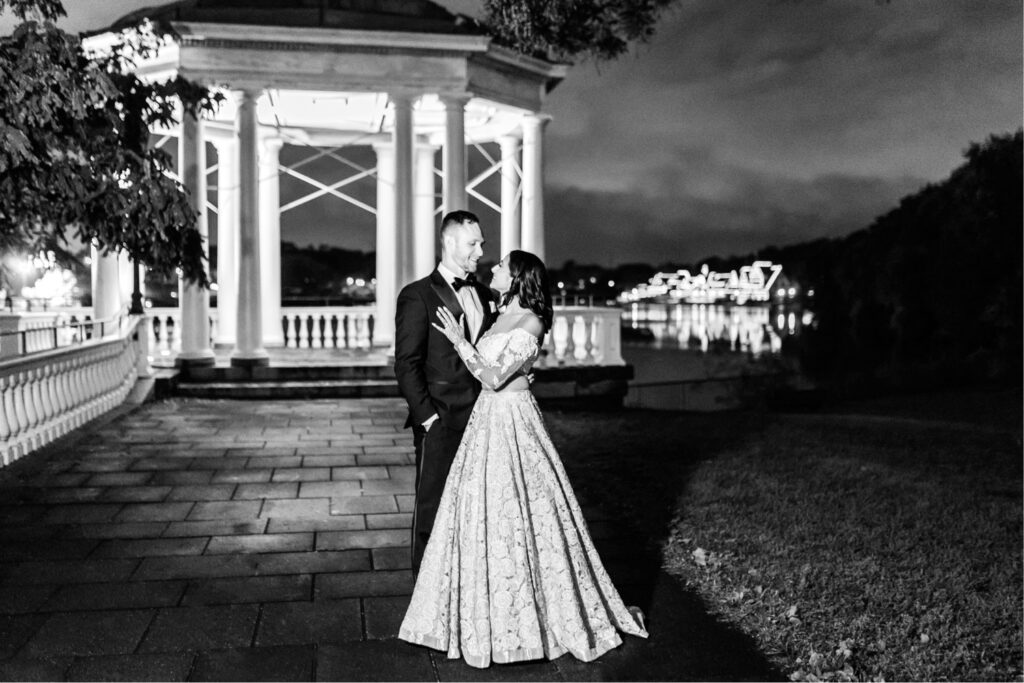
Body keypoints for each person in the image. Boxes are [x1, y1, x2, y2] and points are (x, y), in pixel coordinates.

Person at [398, 250, 648, 668]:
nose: (491, 268)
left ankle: (537, 616)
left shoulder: (532, 319)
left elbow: (495, 377)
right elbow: (500, 370)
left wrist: (461, 342)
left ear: (517, 278)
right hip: (485, 421)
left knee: (528, 509)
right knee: (481, 512)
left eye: (500, 267)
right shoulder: (497, 315)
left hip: (514, 422)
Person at [394, 210, 500, 573]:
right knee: (431, 508)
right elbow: (406, 363)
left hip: (484, 421)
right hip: (440, 422)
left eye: (481, 243)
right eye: (473, 243)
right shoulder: (417, 295)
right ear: (450, 242)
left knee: (477, 508)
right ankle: (424, 595)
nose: (480, 251)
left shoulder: (487, 295)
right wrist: (428, 419)